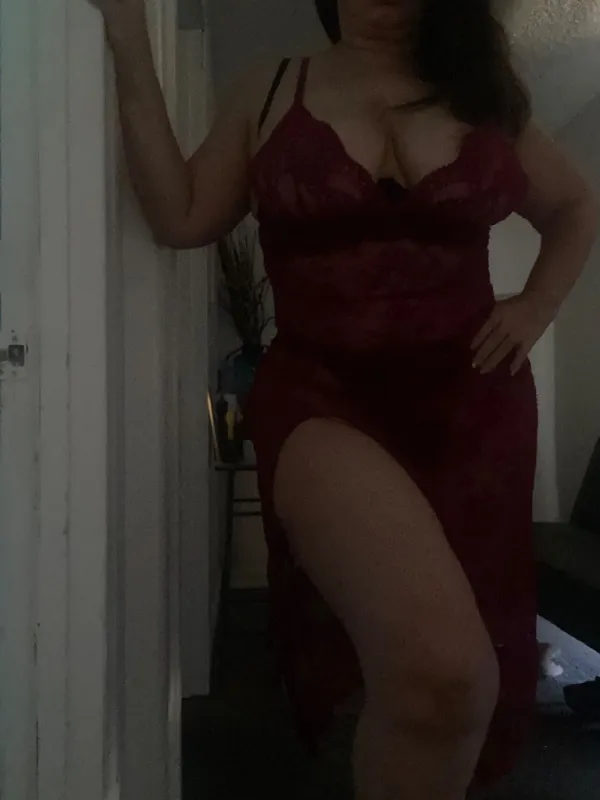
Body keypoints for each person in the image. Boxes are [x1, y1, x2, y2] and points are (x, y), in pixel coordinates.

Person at [90, 0, 598, 797]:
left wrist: (536, 305)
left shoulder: (481, 92)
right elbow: (181, 215)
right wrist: (127, 36)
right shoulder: (269, 88)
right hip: (321, 402)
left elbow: (574, 205)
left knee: (455, 681)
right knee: (445, 670)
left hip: (474, 412)